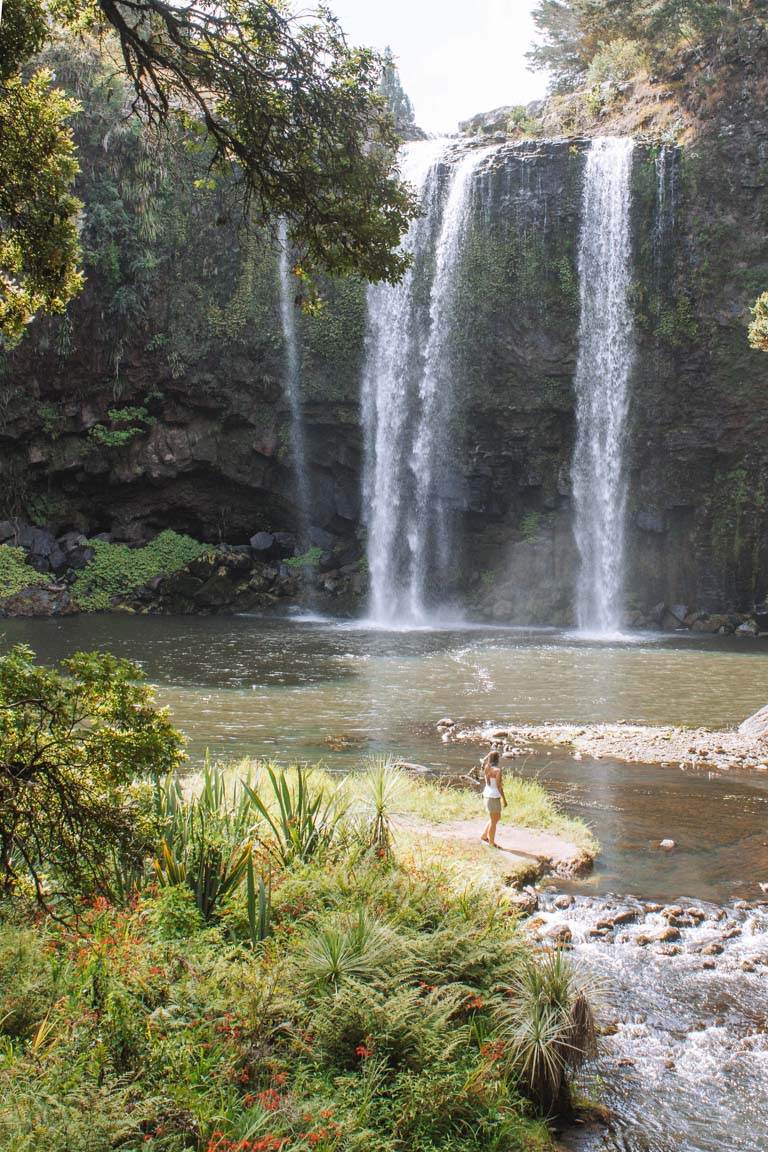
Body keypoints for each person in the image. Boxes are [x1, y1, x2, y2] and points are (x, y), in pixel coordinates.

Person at [481, 748, 506, 847]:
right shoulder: (497, 771)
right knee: (494, 820)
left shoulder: (486, 767)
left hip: (487, 794)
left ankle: (484, 836)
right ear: (497, 759)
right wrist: (504, 799)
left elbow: (484, 762)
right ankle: (491, 843)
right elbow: (499, 786)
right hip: (494, 796)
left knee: (495, 818)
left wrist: (488, 756)